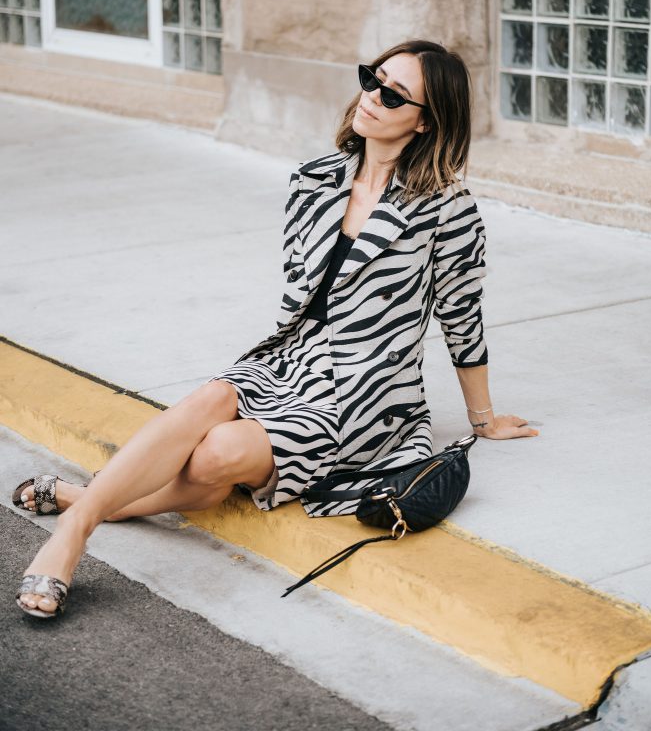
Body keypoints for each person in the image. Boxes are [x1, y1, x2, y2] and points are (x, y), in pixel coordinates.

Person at [14, 39, 538, 618]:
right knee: (212, 398)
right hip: (288, 358)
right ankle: (76, 529)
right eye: (372, 78)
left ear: (425, 122)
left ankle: (82, 505)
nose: (372, 97)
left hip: (362, 392)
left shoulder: (447, 208)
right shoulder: (313, 181)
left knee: (215, 458)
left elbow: (462, 313)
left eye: (394, 95)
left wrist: (483, 419)